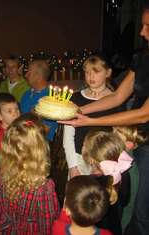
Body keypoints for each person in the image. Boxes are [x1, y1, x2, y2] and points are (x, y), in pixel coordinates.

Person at [60, 5, 149, 235]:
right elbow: (119, 95)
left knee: (140, 209)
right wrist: (80, 111)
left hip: (141, 141)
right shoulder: (143, 57)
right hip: (133, 142)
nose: (142, 32)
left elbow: (143, 113)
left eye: (148, 26)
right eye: (142, 24)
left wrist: (87, 121)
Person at [0, 115, 59, 234]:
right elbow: (48, 222)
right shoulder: (44, 186)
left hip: (4, 229)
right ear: (40, 149)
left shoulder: (0, 170)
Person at [63, 54, 125, 179]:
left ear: (108, 73)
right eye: (87, 72)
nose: (91, 76)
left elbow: (119, 136)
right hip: (78, 158)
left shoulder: (116, 101)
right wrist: (73, 167)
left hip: (104, 161)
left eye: (96, 71)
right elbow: (68, 137)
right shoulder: (75, 98)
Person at [20, 60, 58, 141]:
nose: (26, 75)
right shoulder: (26, 94)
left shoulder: (51, 98)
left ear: (39, 77)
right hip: (23, 137)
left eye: (29, 73)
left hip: (39, 143)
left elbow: (45, 130)